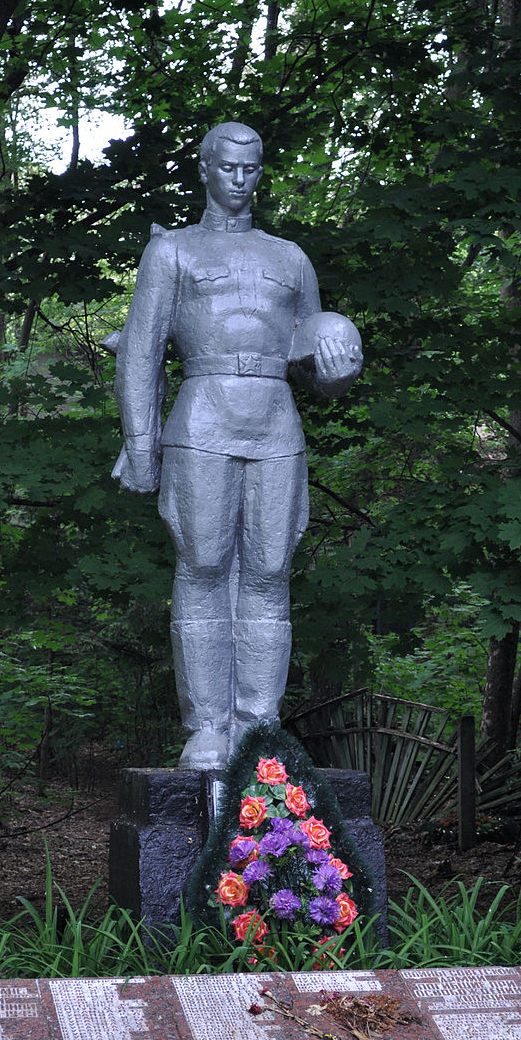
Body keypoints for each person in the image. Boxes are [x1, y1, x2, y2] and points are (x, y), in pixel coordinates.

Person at [112, 122, 362, 769]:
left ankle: (258, 724)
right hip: (201, 418)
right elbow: (140, 352)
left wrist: (337, 367)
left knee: (270, 572)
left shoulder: (291, 258)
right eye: (228, 167)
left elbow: (313, 361)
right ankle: (206, 727)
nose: (240, 179)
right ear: (205, 168)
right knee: (202, 566)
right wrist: (140, 446)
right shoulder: (172, 252)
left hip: (275, 421)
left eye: (251, 168)